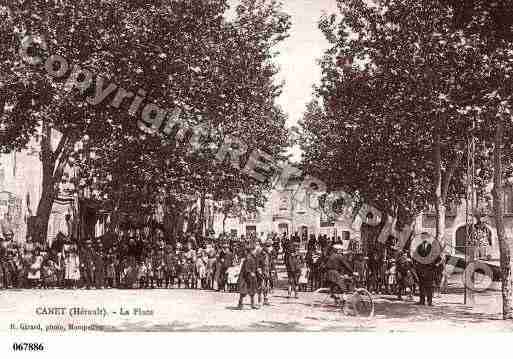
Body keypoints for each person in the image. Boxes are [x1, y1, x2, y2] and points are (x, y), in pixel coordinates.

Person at [414, 240, 442, 306]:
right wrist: (417, 264)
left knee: (429, 286)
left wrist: (435, 265)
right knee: (421, 286)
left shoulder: (432, 248)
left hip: (430, 270)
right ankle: (422, 301)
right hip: (421, 269)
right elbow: (415, 256)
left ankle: (430, 302)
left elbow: (439, 258)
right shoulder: (419, 247)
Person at [237, 242, 258, 310]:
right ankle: (240, 304)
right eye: (254, 250)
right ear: (251, 251)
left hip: (249, 276)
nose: (255, 251)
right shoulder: (249, 258)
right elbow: (246, 269)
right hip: (245, 277)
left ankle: (252, 304)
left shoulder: (252, 257)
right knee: (244, 291)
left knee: (252, 291)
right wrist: (251, 273)